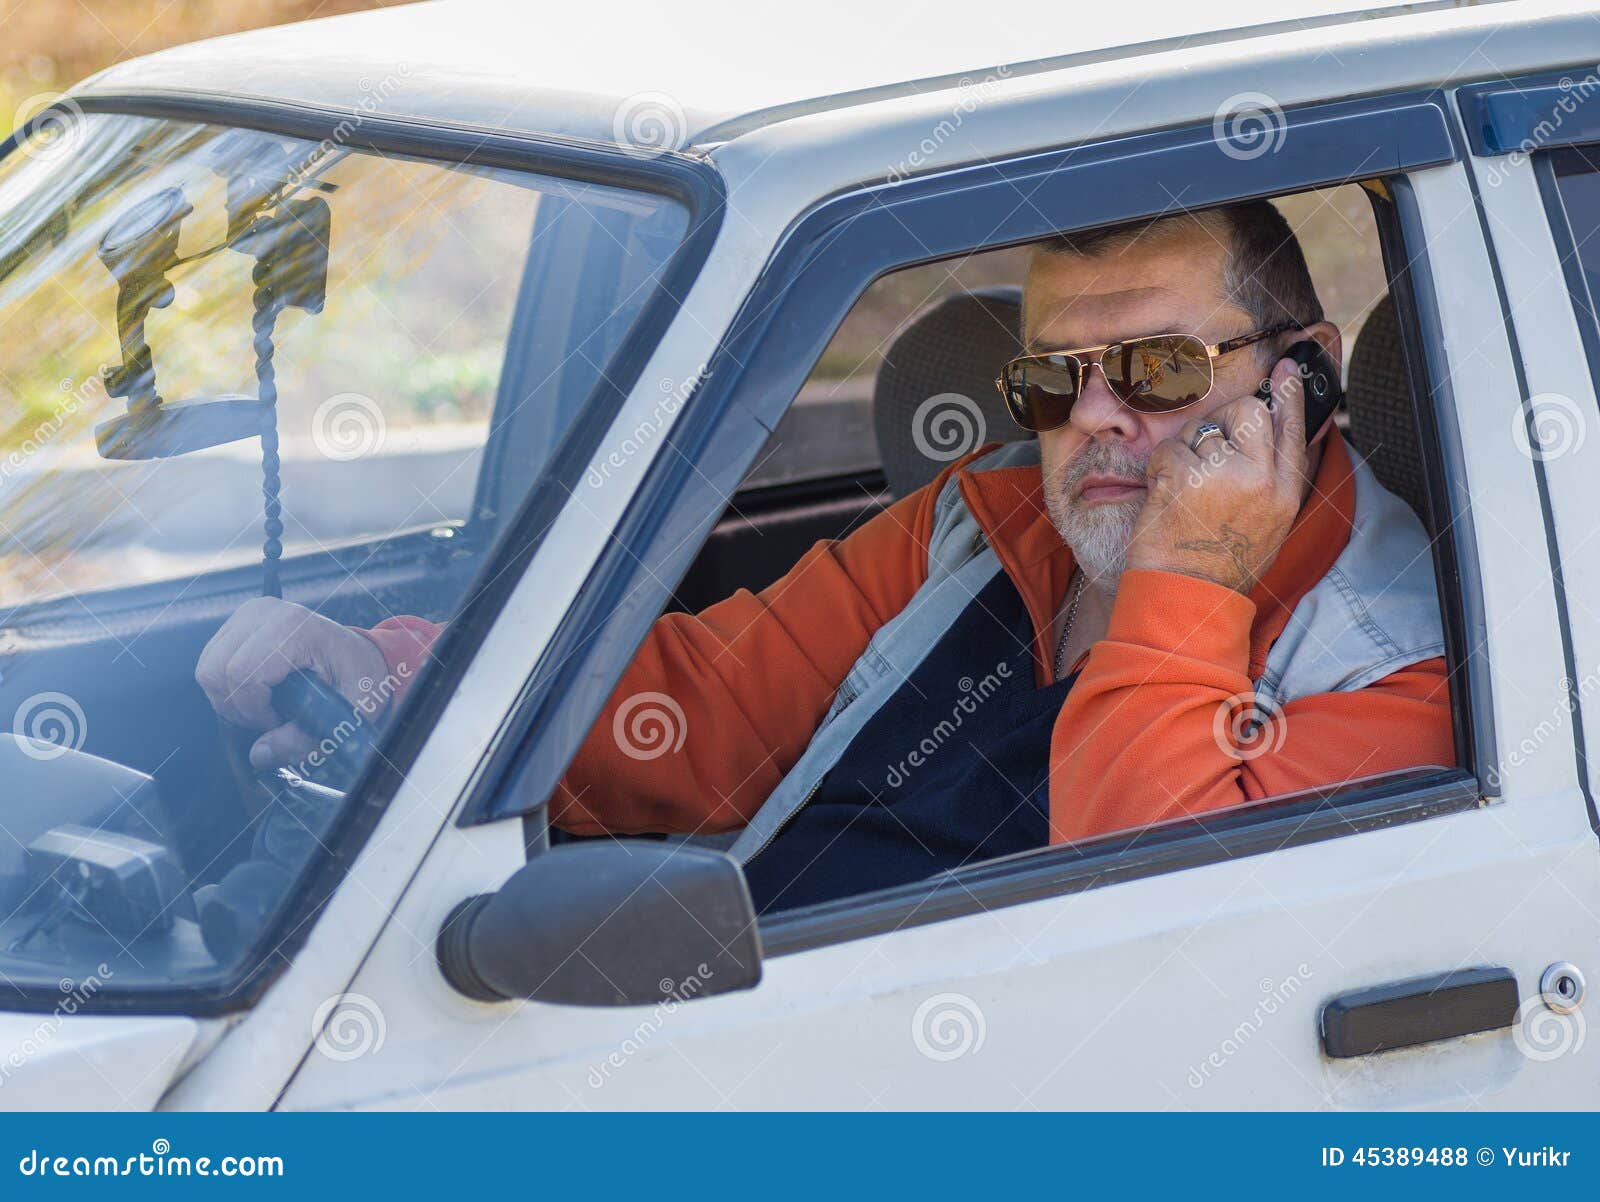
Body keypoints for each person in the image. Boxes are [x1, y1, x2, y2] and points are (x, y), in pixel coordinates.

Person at [196, 200, 1451, 913]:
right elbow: (690, 713)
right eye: (1050, 380)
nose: (1095, 419)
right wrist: (391, 673)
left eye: (1156, 369)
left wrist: (1186, 583)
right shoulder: (987, 522)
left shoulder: (1406, 657)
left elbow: (1152, 924)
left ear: (1303, 373)